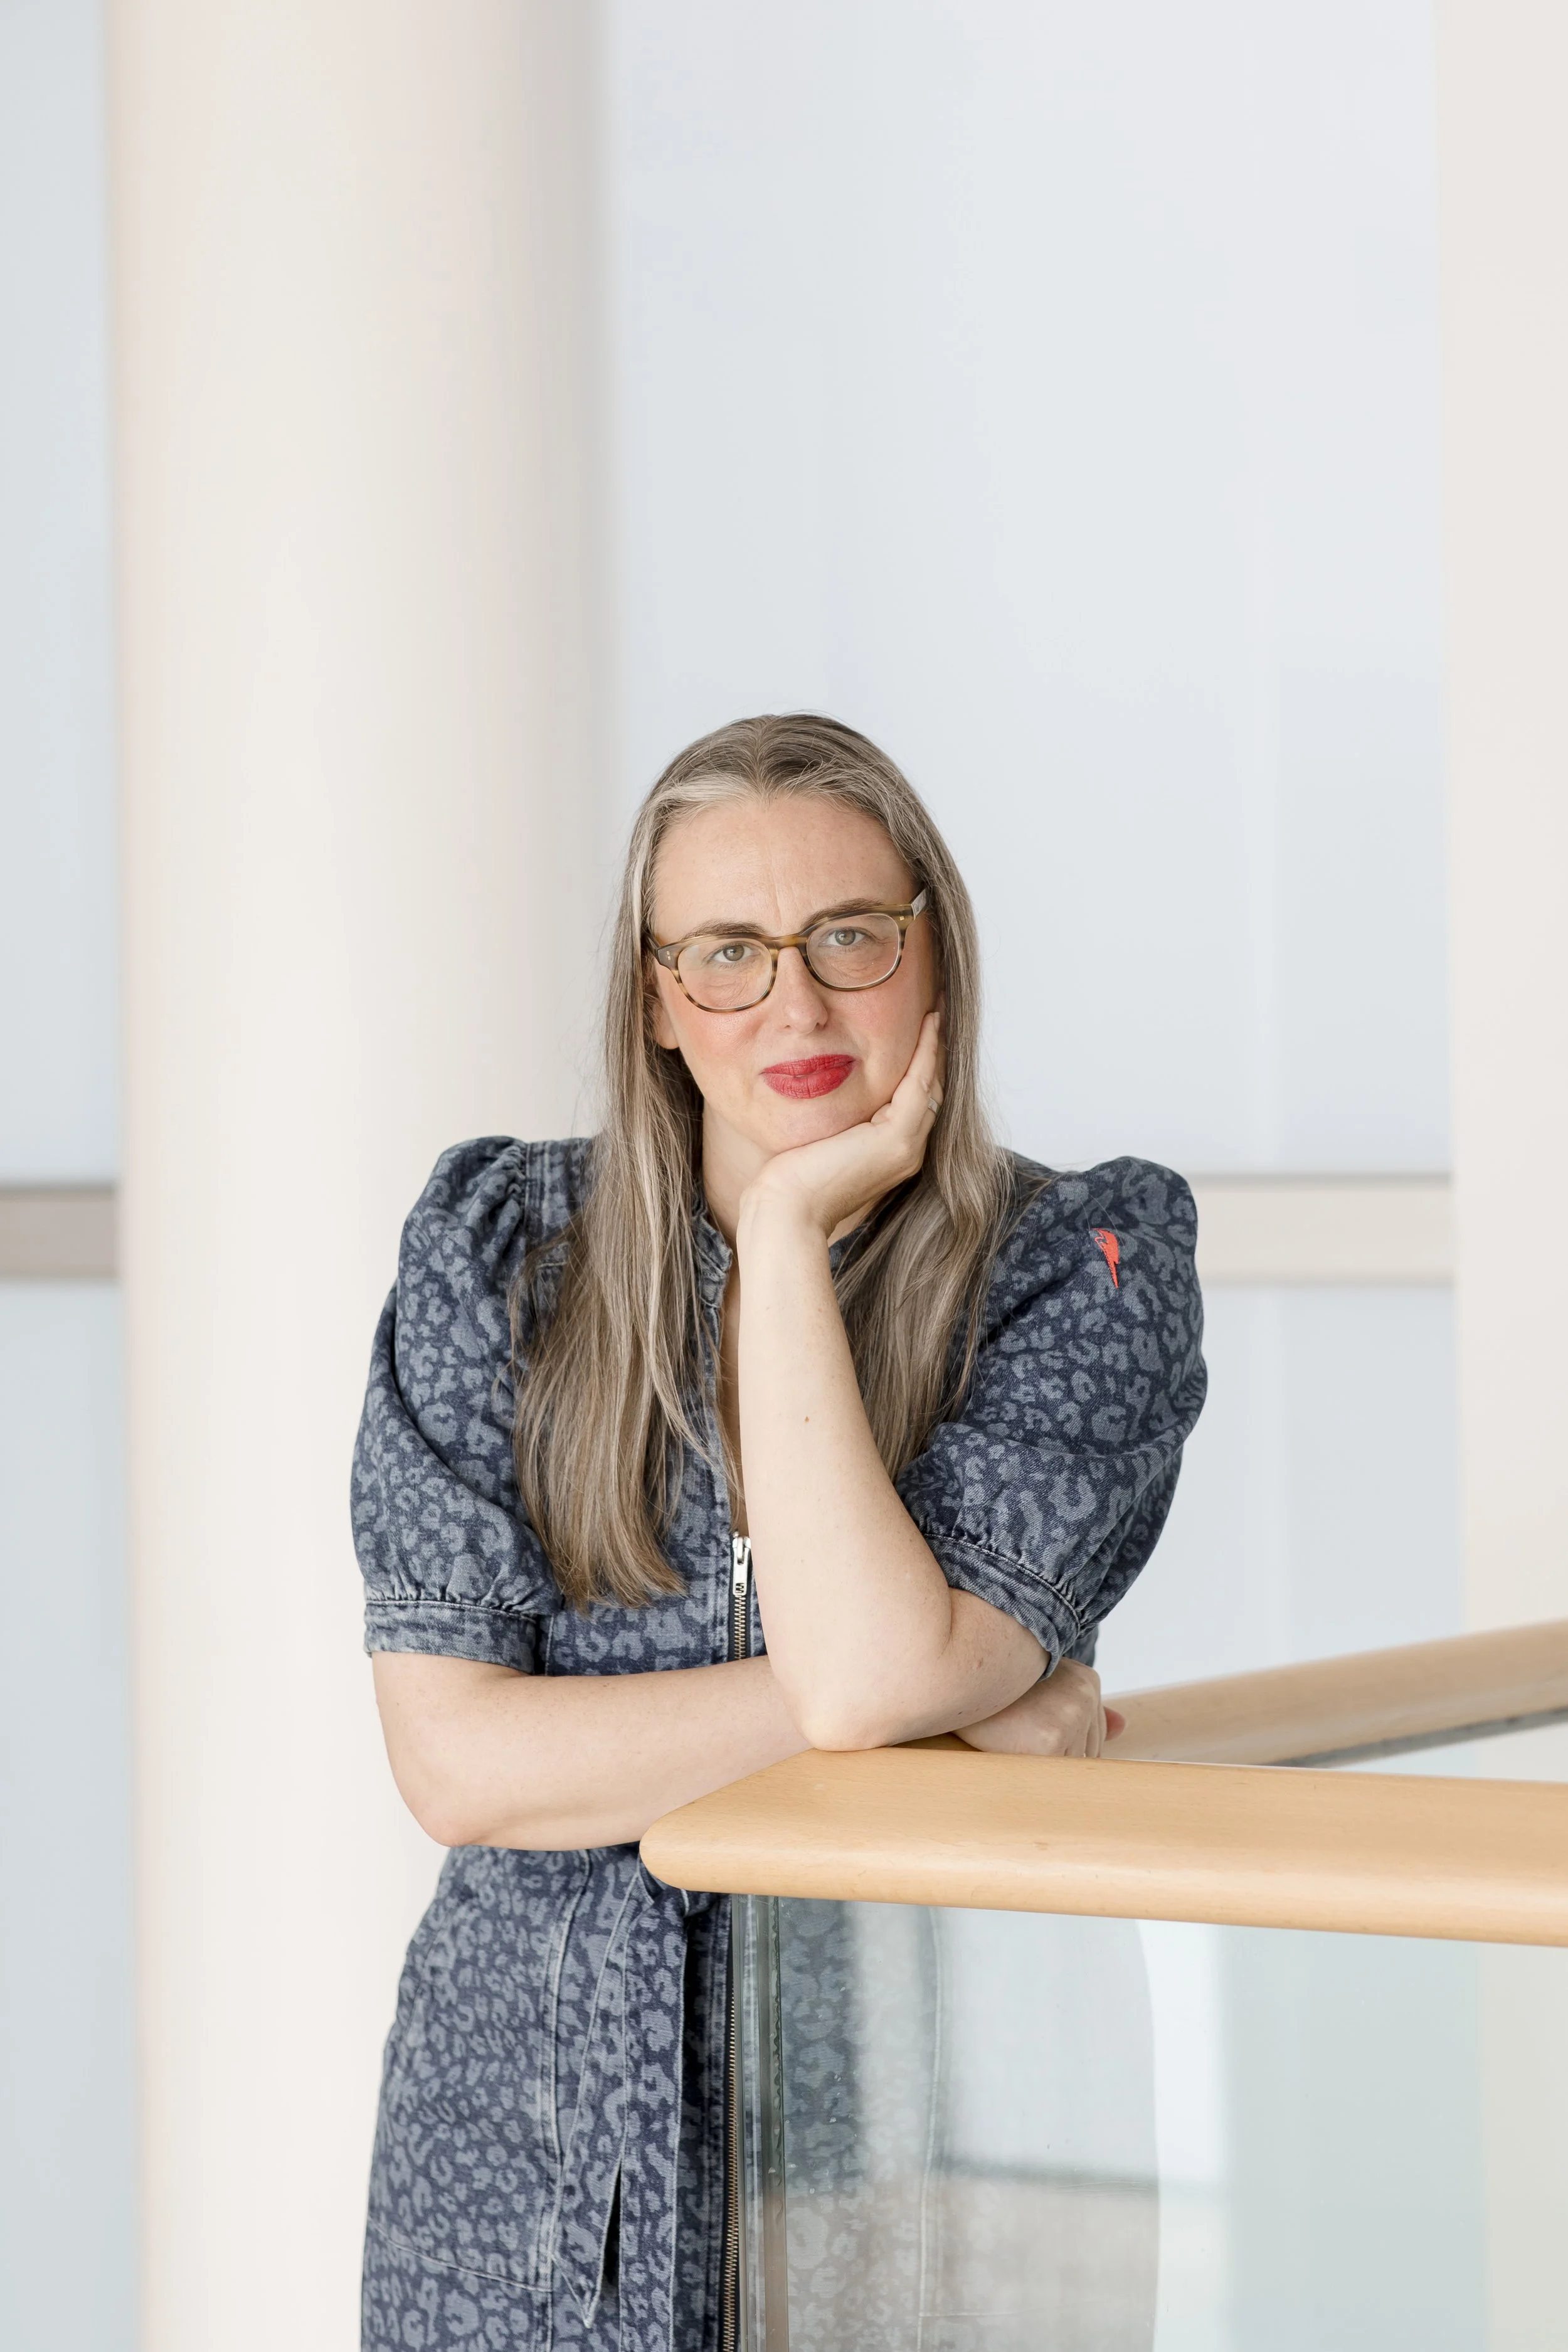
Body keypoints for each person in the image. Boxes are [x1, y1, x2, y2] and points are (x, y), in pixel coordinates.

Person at [352, 712, 1205, 2351]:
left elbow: (867, 1670)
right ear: (658, 999)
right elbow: (458, 1764)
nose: (794, 1003)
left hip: (927, 2125)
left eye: (847, 938)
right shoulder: (494, 1245)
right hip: (523, 2148)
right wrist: (944, 1709)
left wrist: (792, 1232)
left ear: (929, 944)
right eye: (728, 953)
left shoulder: (1086, 1260)